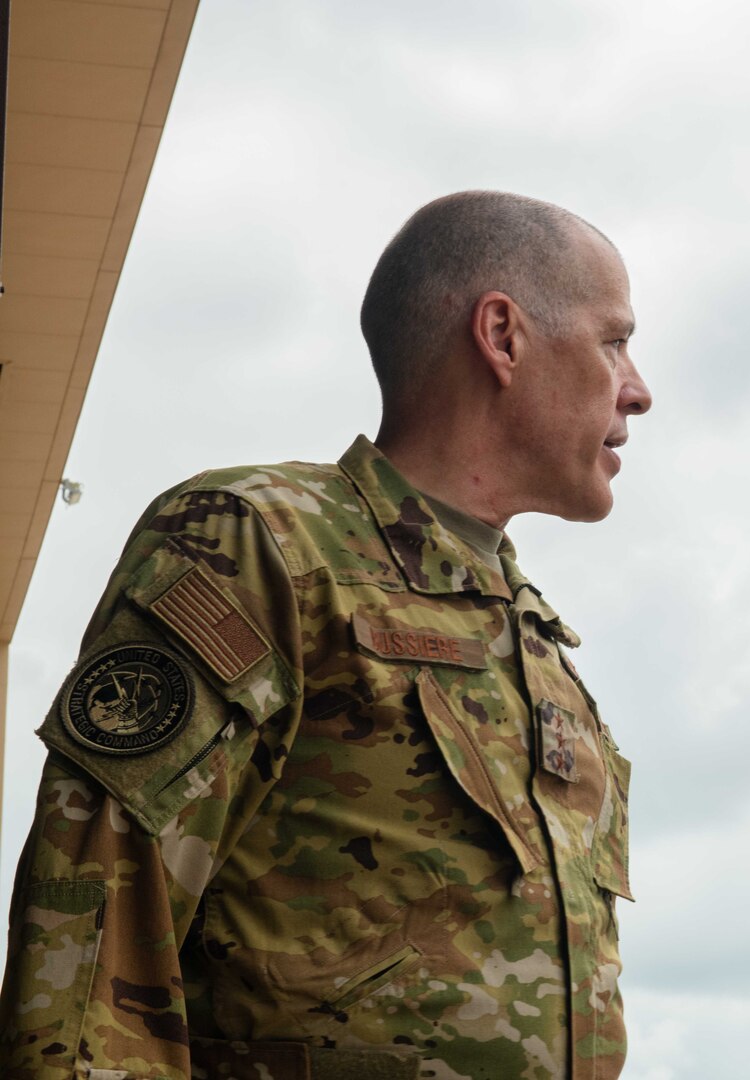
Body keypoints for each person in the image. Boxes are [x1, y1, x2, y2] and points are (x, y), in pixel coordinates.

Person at [0, 191, 652, 1080]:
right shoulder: (260, 542)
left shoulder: (539, 647)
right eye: (614, 341)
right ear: (502, 336)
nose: (638, 389)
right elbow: (98, 906)